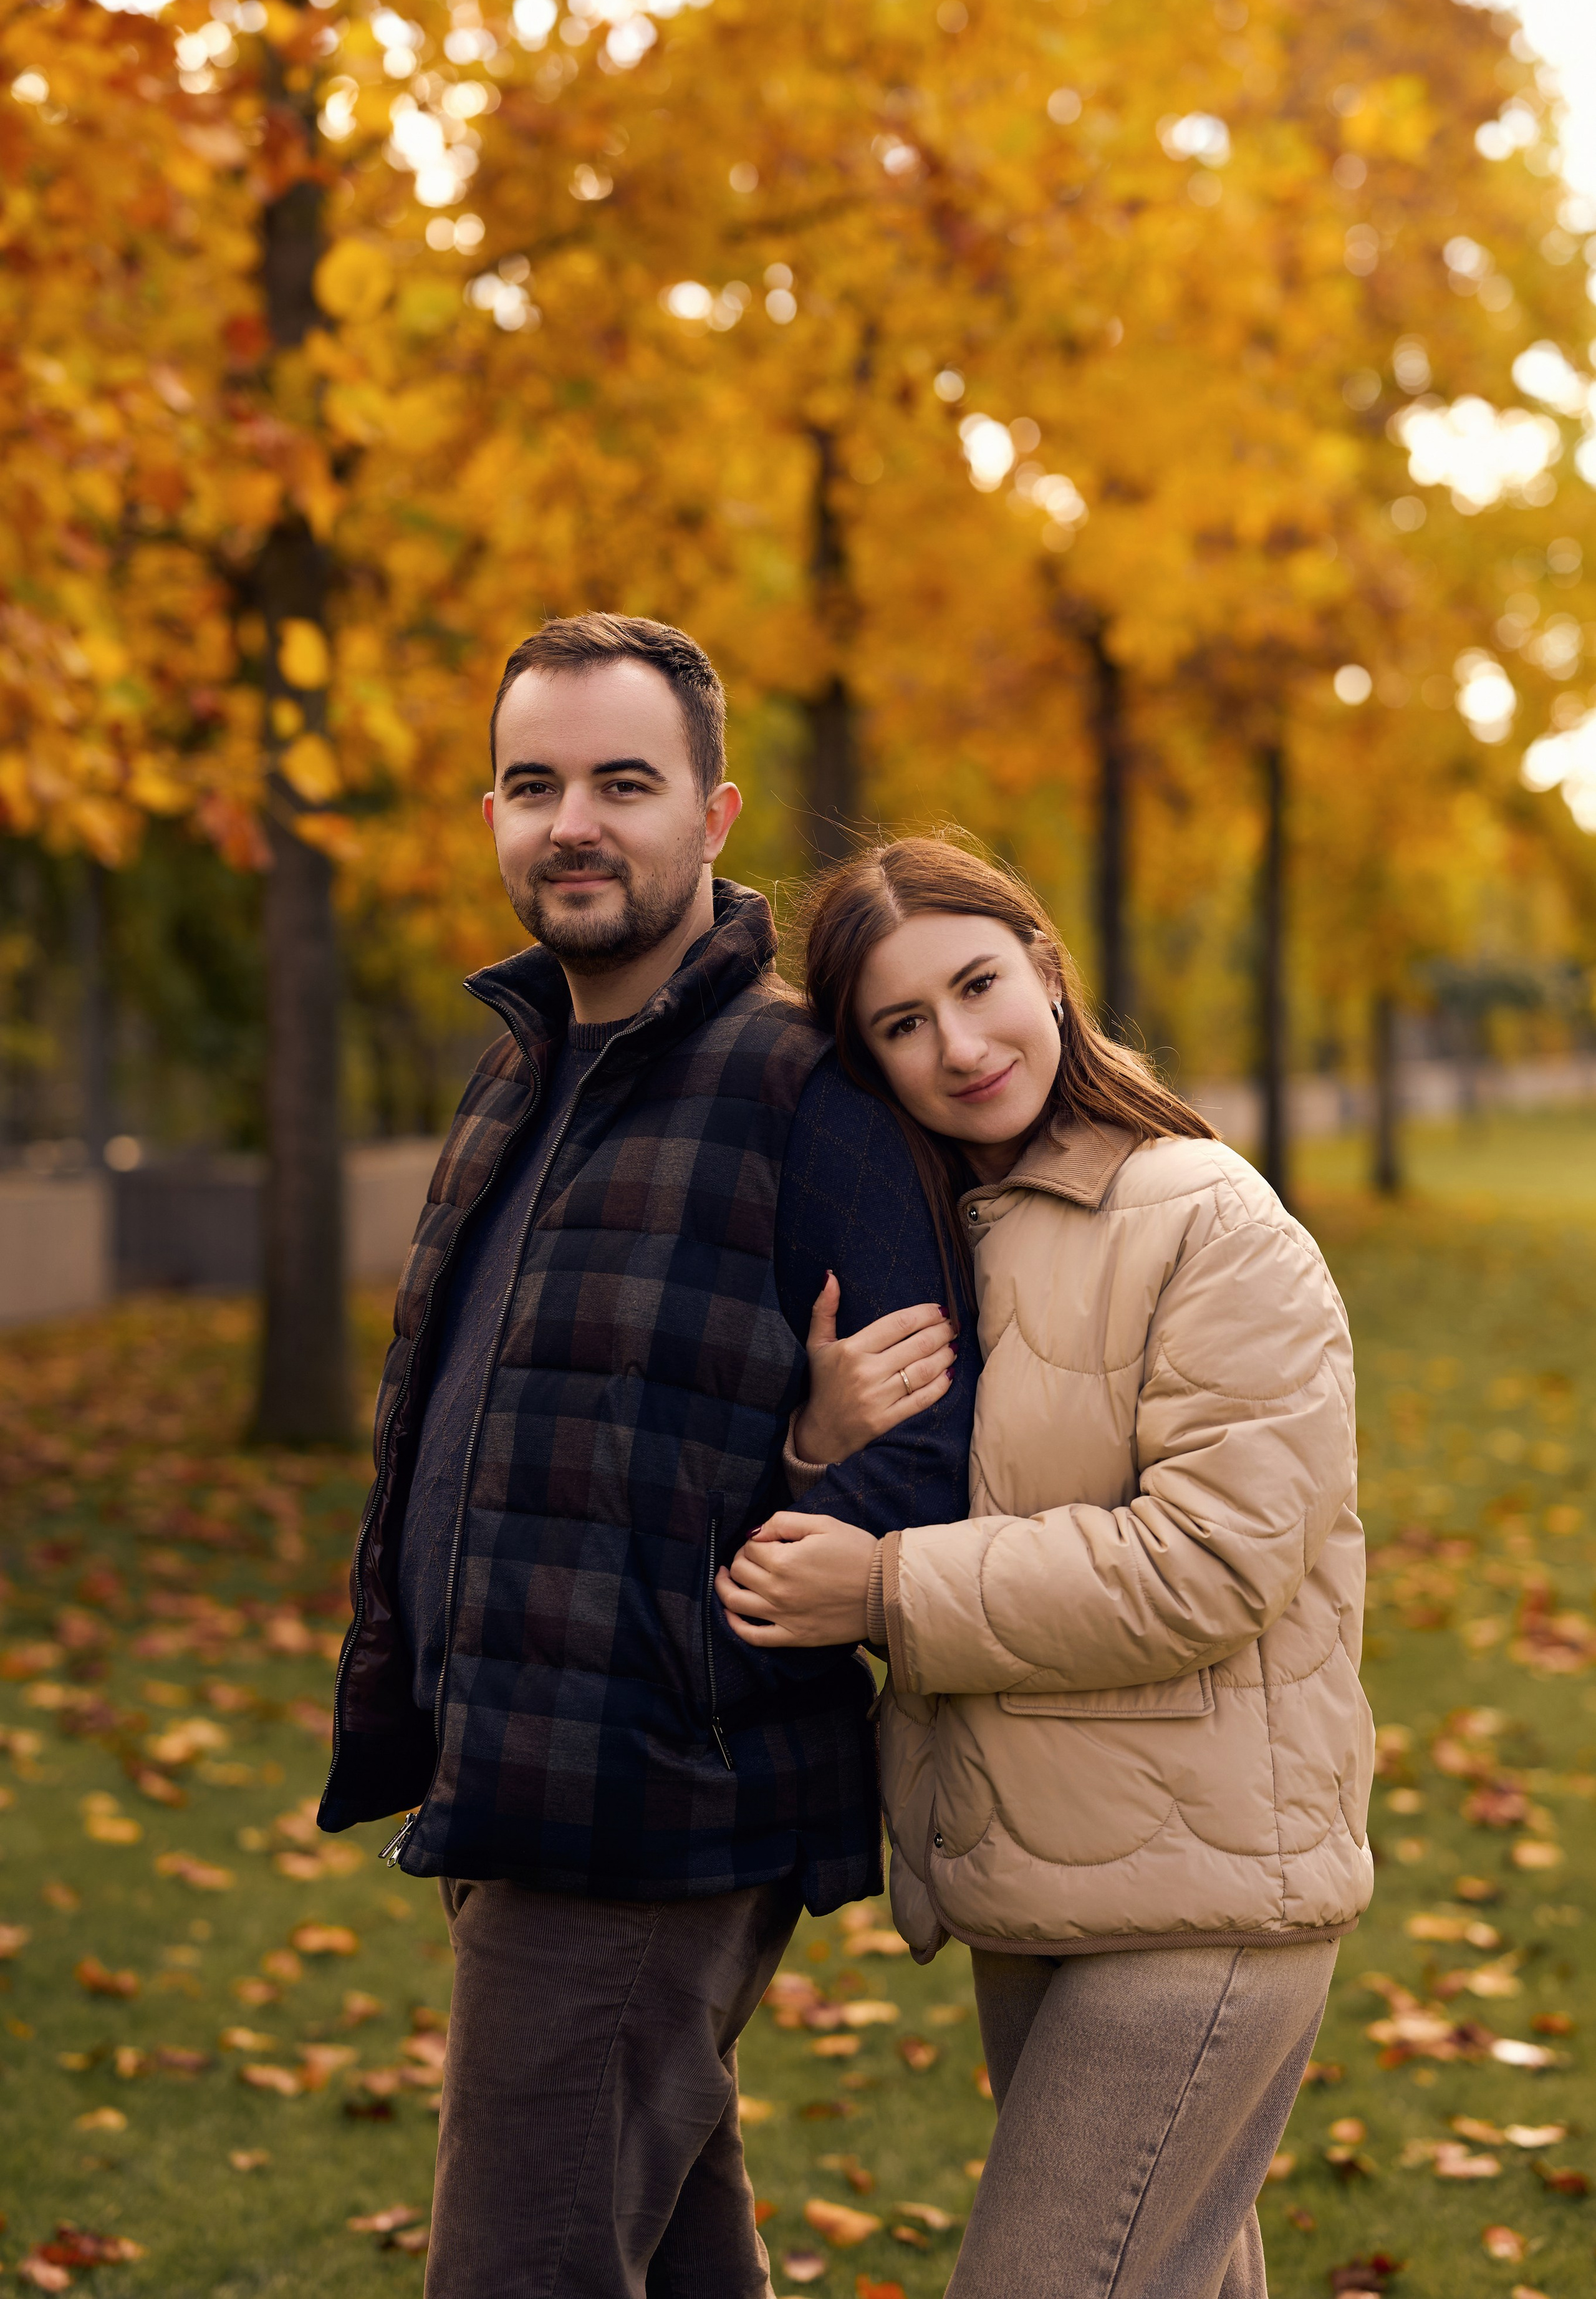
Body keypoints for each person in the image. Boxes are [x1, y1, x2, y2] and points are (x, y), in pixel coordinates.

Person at [317, 623, 979, 2299]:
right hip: (514, 1764)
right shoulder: (518, 1076)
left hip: (654, 1794)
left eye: (624, 781)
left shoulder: (798, 1085)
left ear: (716, 811)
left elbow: (927, 1442)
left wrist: (790, 1500)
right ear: (492, 815)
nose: (572, 824)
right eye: (533, 786)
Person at [718, 836, 1373, 2299]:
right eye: (899, 1024)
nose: (956, 1045)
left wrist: (883, 1586)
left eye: (975, 983)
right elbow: (967, 1487)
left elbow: (1205, 1563)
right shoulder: (943, 1239)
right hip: (1039, 1884)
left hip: (1205, 1898)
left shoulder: (1208, 1218)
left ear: (1044, 966)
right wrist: (826, 1446)